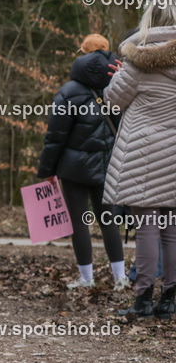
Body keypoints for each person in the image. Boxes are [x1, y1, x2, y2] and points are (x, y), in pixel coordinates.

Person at [103, 2, 176, 319]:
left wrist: (118, 75)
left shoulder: (136, 60)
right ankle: (170, 300)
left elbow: (112, 100)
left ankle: (143, 299)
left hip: (143, 155)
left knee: (147, 227)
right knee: (171, 228)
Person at [37, 37, 128, 290]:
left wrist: (47, 170)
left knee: (79, 223)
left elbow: (56, 137)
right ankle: (120, 277)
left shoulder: (68, 92)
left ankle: (87, 279)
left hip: (74, 169)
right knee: (108, 220)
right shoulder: (122, 86)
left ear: (83, 54)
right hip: (109, 165)